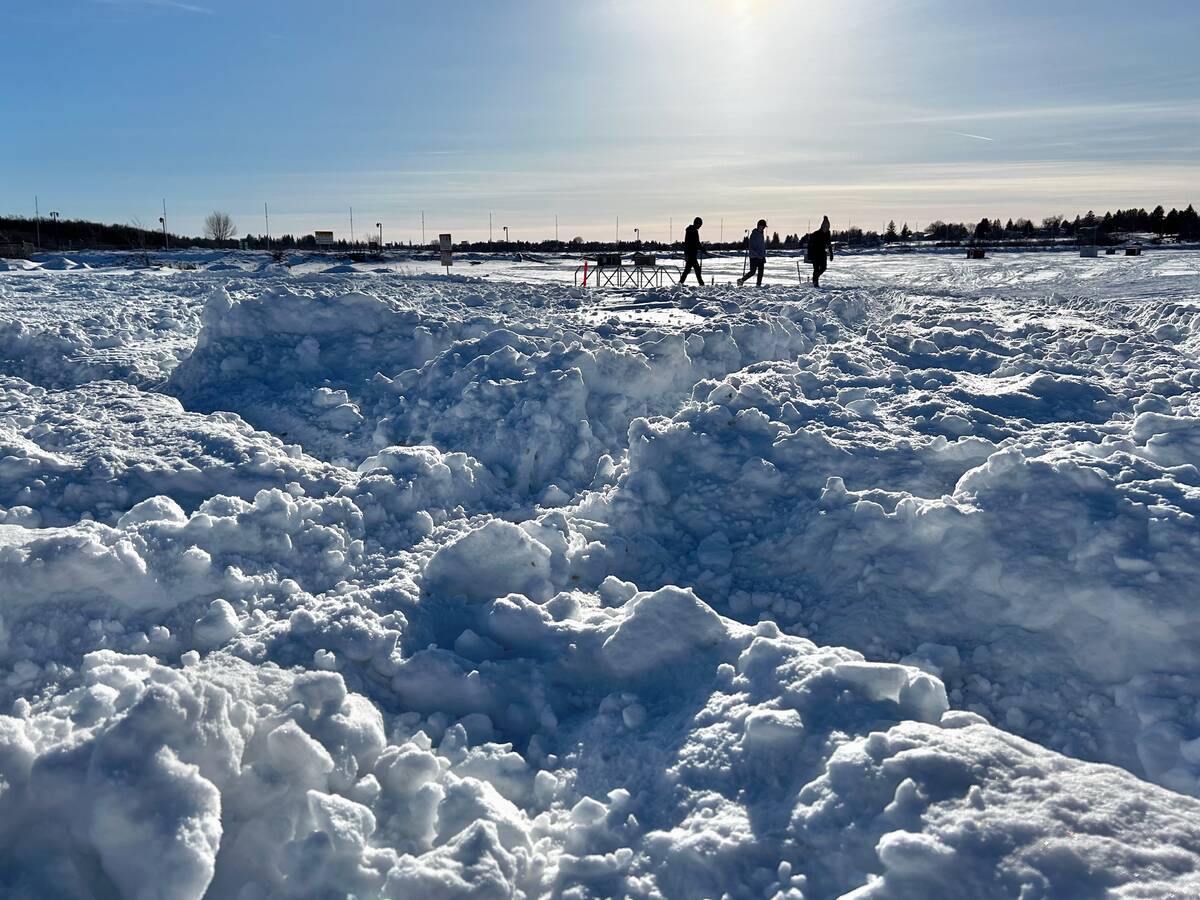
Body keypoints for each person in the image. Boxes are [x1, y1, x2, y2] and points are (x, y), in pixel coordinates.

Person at [738, 219, 768, 287]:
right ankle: (741, 280)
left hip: (761, 256)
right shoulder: (754, 235)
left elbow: (762, 246)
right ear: (758, 226)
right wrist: (757, 255)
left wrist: (763, 256)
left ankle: (758, 285)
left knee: (761, 272)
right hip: (754, 256)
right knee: (752, 272)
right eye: (762, 226)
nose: (763, 228)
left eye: (764, 227)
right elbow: (752, 247)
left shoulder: (761, 234)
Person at [806, 215, 834, 287]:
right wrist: (809, 255)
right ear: (822, 226)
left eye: (828, 227)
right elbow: (809, 245)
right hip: (815, 253)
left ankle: (815, 278)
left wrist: (831, 253)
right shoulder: (816, 234)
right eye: (825, 227)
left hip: (822, 253)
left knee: (823, 267)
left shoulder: (827, 233)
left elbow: (829, 243)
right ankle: (815, 283)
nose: (826, 228)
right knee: (816, 269)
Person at [680, 216, 704, 285]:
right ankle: (701, 284)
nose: (700, 227)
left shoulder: (691, 230)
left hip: (690, 254)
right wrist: (702, 248)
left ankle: (680, 284)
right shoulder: (693, 231)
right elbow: (695, 242)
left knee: (688, 270)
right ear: (697, 223)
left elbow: (695, 243)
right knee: (696, 270)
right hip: (691, 254)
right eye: (699, 225)